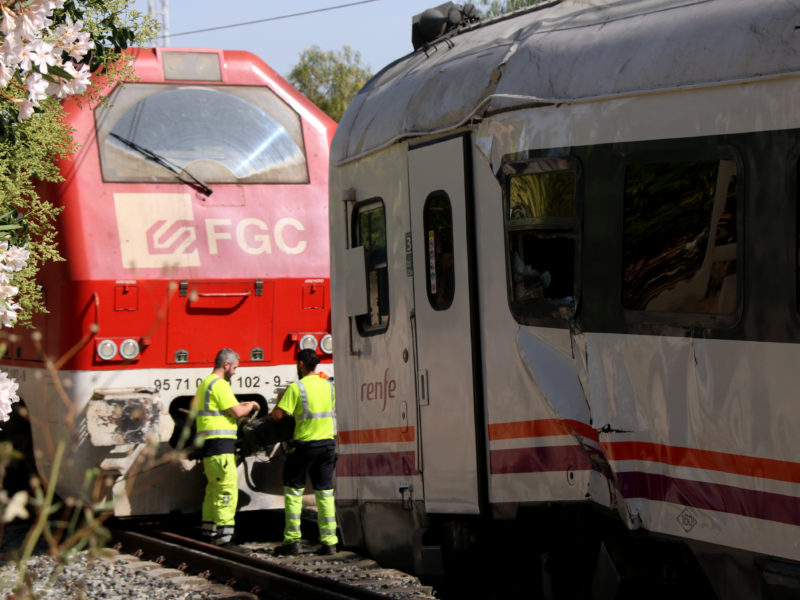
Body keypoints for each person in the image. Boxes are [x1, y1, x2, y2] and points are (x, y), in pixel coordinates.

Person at [272, 348, 338, 555]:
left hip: (305, 446)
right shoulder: (329, 387)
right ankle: (329, 542)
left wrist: (280, 400)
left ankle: (292, 541)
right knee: (325, 492)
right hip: (327, 445)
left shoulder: (297, 388)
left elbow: (277, 416)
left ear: (301, 364)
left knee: (293, 490)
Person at [193, 348, 259, 546]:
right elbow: (238, 412)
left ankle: (208, 530)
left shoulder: (205, 383)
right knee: (227, 490)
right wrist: (252, 405)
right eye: (235, 368)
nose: (236, 372)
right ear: (226, 365)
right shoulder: (220, 385)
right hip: (221, 445)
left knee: (213, 489)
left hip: (209, 446)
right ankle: (225, 536)